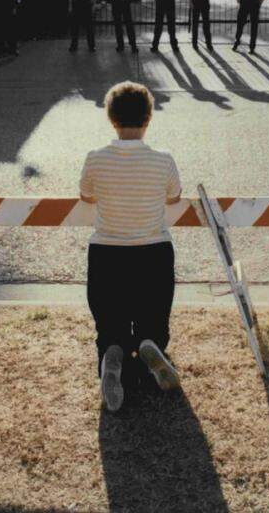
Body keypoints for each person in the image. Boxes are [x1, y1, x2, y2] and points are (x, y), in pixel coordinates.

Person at [80, 81, 182, 412]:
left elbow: (86, 195)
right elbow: (174, 196)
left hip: (107, 252)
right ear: (148, 118)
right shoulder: (163, 160)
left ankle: (113, 351)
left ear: (111, 119)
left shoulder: (95, 158)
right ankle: (151, 343)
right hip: (153, 250)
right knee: (154, 312)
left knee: (110, 318)